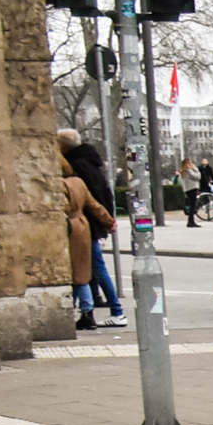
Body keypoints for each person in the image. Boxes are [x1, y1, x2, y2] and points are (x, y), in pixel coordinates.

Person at [59, 129, 125, 325]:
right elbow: (97, 199)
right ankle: (91, 308)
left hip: (79, 228)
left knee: (89, 270)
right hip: (87, 225)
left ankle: (114, 310)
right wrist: (108, 220)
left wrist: (105, 223)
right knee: (85, 270)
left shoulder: (78, 168)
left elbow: (92, 200)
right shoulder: (89, 166)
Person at [61, 152, 109, 332]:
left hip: (70, 227)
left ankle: (84, 311)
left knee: (74, 273)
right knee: (82, 270)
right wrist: (108, 221)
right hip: (83, 225)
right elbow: (93, 204)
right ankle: (86, 311)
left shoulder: (61, 184)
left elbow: (61, 206)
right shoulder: (78, 182)